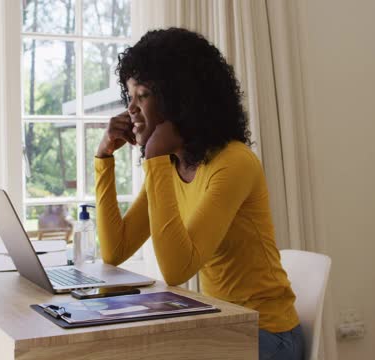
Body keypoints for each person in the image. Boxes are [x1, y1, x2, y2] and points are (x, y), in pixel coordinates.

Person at [94, 27, 304, 360]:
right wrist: (103, 158)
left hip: (267, 334)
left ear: (179, 100)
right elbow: (115, 250)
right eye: (129, 97)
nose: (130, 109)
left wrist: (154, 158)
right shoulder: (170, 167)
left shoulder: (233, 163)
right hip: (219, 326)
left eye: (143, 95)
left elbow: (178, 269)